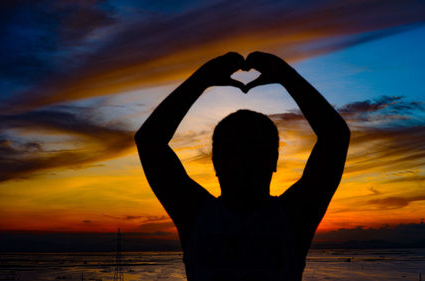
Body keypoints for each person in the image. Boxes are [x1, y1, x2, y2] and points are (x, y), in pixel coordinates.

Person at [135, 51, 350, 281]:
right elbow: (149, 142)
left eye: (254, 148)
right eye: (232, 150)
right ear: (215, 162)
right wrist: (202, 78)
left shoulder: (292, 217)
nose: (242, 159)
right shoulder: (197, 215)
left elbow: (335, 138)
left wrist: (286, 75)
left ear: (274, 160)